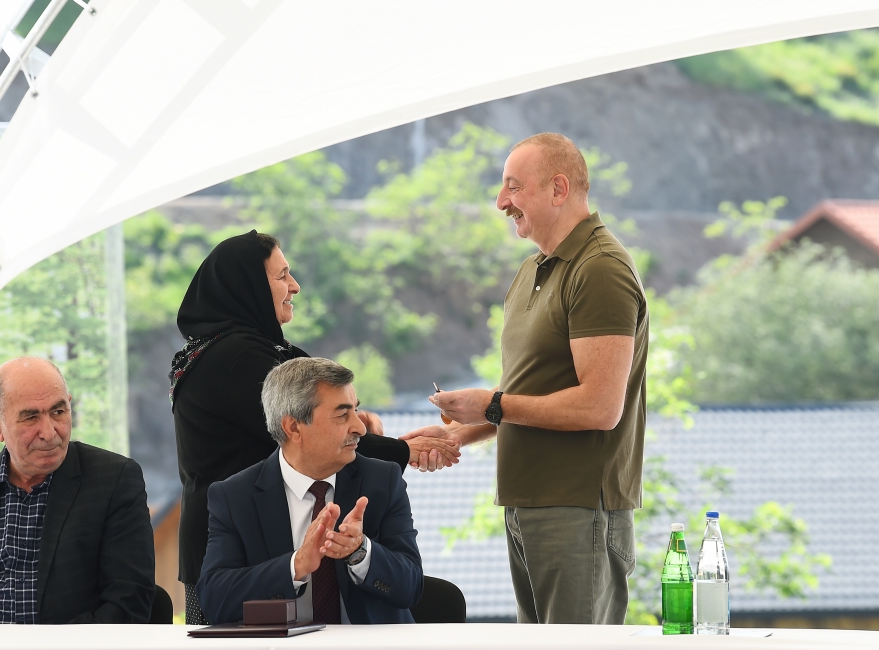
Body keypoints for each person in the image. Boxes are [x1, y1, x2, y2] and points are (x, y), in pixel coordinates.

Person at [404, 133, 648, 625]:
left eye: (514, 187)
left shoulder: (599, 268)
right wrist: (460, 432)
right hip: (527, 506)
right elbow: (533, 394)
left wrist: (491, 405)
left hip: (578, 510)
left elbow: (600, 406)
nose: (501, 202)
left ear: (559, 189)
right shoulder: (533, 269)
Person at [171, 231, 457, 624]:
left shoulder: (251, 348)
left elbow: (319, 420)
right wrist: (405, 450)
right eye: (281, 276)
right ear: (247, 286)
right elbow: (315, 432)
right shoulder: (235, 358)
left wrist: (365, 429)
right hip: (245, 545)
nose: (295, 286)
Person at [0, 357, 155, 623]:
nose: (49, 433)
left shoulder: (113, 480)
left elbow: (129, 600)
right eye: (30, 417)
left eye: (58, 412)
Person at [198, 357, 422, 624]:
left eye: (356, 410)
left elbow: (412, 588)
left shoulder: (383, 480)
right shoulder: (234, 496)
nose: (360, 428)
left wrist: (360, 552)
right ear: (293, 427)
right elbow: (215, 601)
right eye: (342, 415)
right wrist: (295, 566)